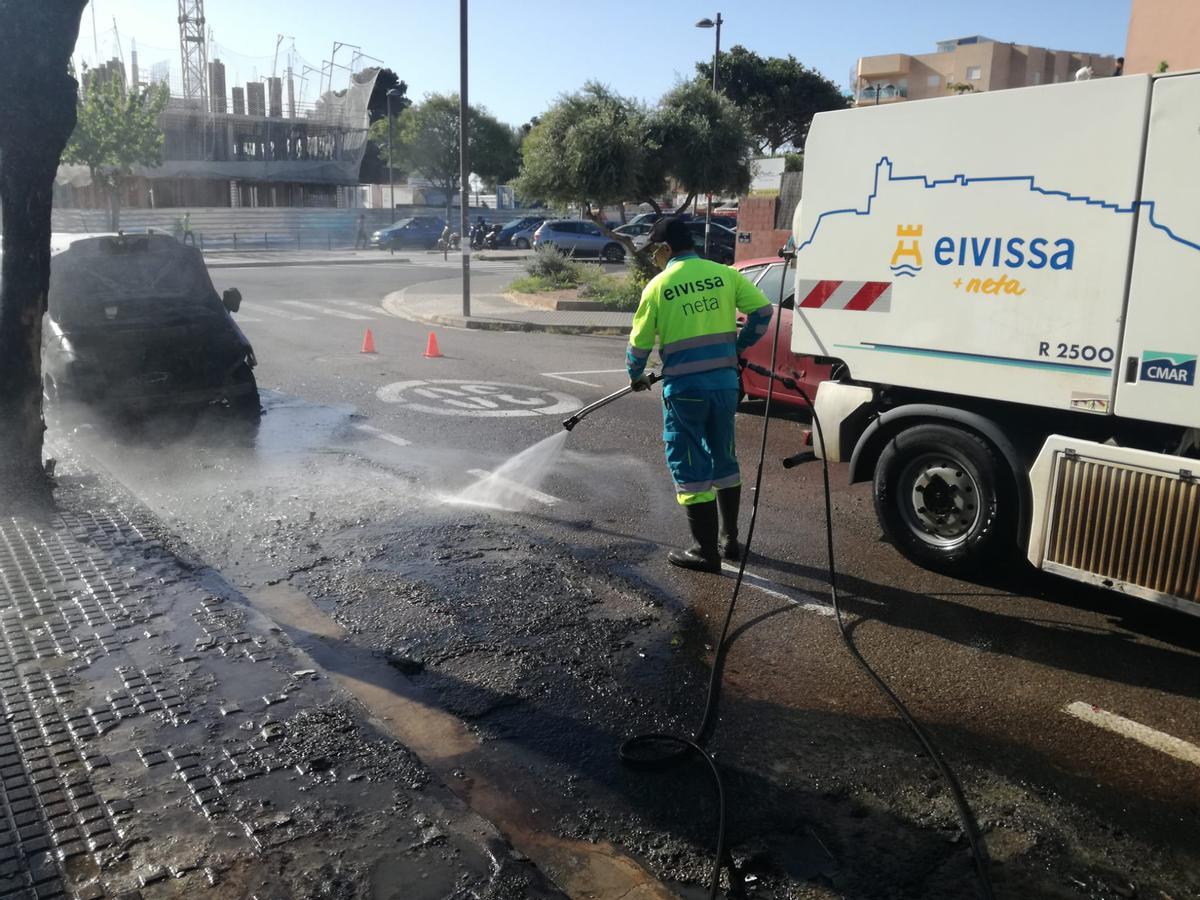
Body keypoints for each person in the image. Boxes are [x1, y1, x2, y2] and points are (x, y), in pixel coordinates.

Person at [626, 217, 773, 572]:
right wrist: (739, 346)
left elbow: (639, 345)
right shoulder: (724, 275)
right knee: (724, 458)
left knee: (690, 466)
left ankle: (705, 552)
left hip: (686, 391)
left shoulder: (659, 286)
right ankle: (729, 540)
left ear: (665, 249)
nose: (654, 260)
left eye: (654, 253)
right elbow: (763, 312)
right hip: (725, 387)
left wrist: (636, 376)